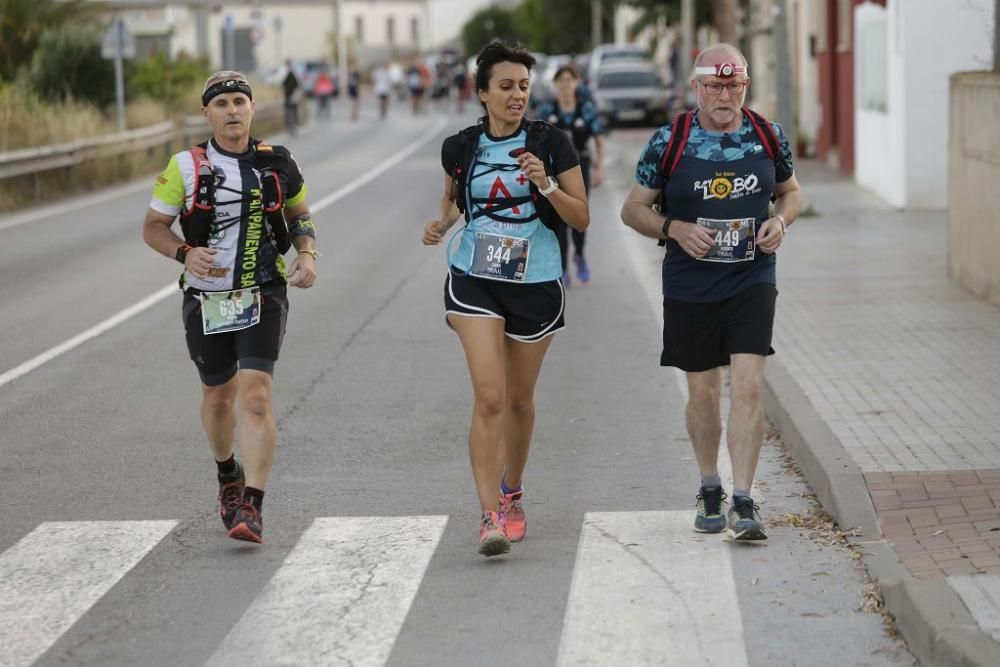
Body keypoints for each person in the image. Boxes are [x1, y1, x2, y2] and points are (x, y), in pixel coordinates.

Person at [620, 44, 802, 541]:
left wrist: (781, 222)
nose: (726, 94)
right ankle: (709, 486)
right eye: (716, 86)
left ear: (746, 85)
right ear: (697, 87)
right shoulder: (670, 139)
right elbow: (632, 208)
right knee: (702, 393)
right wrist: (673, 228)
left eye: (735, 84)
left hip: (751, 276)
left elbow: (791, 191)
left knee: (747, 383)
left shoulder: (767, 135)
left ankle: (745, 500)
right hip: (690, 283)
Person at [422, 41, 589, 557]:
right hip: (474, 274)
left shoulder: (552, 143)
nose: (517, 95)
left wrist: (546, 186)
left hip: (536, 278)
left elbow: (581, 217)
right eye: (506, 86)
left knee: (518, 400)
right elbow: (454, 202)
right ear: (483, 92)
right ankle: (489, 515)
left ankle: (511, 491)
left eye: (523, 86)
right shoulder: (460, 147)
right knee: (490, 396)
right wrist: (441, 223)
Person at [142, 71, 319, 544]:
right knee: (218, 398)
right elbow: (154, 227)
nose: (233, 110)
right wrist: (184, 252)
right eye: (222, 104)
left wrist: (307, 254)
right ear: (208, 113)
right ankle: (227, 475)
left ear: (252, 108)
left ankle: (253, 507)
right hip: (206, 298)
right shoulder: (185, 166)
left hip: (264, 291)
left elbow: (301, 215)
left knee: (257, 395)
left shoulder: (278, 161)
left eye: (240, 101)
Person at [534, 65, 606, 286]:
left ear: (576, 83)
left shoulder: (585, 109)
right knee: (559, 220)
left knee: (578, 218)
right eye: (561, 80)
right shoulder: (547, 111)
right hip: (554, 170)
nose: (565, 84)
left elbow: (599, 139)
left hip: (580, 165)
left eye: (569, 80)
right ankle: (563, 268)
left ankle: (580, 255)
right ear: (555, 84)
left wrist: (599, 167)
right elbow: (534, 141)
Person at [281, 60, 300, 136]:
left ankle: (293, 127)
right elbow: (282, 84)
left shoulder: (292, 74)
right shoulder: (286, 74)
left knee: (291, 113)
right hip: (288, 96)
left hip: (292, 97)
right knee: (289, 113)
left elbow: (296, 85)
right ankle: (291, 127)